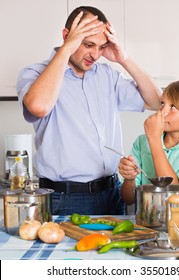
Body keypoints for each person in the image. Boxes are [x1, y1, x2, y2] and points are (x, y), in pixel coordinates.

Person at [16, 6, 161, 215]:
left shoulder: (106, 75)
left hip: (112, 193)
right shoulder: (34, 73)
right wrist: (66, 50)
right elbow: (39, 106)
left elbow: (156, 101)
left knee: (117, 249)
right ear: (67, 36)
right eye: (88, 44)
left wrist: (123, 58)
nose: (95, 55)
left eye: (101, 47)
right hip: (65, 199)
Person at [119, 79, 179, 205]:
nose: (162, 112)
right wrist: (129, 178)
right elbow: (128, 199)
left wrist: (154, 139)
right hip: (146, 221)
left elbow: (175, 196)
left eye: (173, 107)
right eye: (162, 104)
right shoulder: (142, 142)